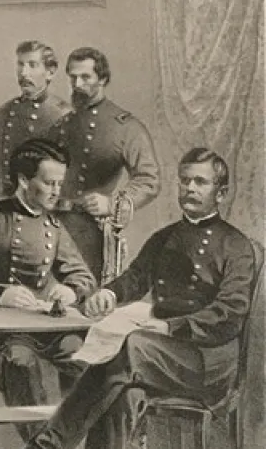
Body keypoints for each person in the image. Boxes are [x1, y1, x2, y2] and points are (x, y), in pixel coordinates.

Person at [27, 147, 260, 449]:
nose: (189, 188)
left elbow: (229, 314)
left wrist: (170, 328)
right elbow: (136, 277)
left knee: (131, 347)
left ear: (221, 192)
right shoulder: (164, 237)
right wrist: (109, 293)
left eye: (200, 182)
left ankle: (48, 444)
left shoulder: (236, 246)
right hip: (163, 351)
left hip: (207, 360)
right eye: (184, 180)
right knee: (119, 388)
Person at [0, 138, 97, 439]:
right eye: (49, 183)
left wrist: (70, 291)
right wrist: (0, 293)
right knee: (22, 363)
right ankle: (42, 444)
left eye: (59, 183)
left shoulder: (53, 225)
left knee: (87, 359)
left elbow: (83, 277)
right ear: (25, 180)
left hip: (45, 328)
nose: (56, 191)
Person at [46, 47, 160, 279]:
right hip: (51, 225)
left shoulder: (125, 127)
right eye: (73, 77)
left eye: (86, 77)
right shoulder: (61, 126)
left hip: (90, 232)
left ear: (103, 79)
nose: (77, 84)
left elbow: (149, 180)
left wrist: (112, 204)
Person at [0, 41, 73, 195]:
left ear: (50, 72)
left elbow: (70, 179)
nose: (24, 73)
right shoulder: (1, 114)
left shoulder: (65, 116)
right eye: (20, 64)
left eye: (32, 65)